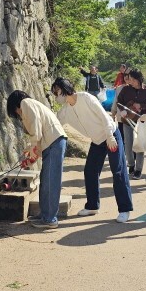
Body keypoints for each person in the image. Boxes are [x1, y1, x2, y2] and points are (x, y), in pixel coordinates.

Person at [51, 77, 133, 223]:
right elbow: (54, 127)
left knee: (118, 171)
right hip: (97, 141)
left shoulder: (86, 98)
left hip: (111, 134)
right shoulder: (65, 111)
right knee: (90, 171)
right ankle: (92, 206)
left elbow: (104, 116)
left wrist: (110, 136)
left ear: (64, 90)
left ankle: (124, 209)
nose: (56, 97)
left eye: (56, 92)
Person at [6, 90, 68, 230]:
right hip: (52, 143)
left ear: (15, 105)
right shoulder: (32, 104)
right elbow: (38, 139)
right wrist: (31, 156)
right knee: (46, 181)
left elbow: (36, 130)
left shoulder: (25, 103)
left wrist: (32, 149)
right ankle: (45, 215)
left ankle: (50, 219)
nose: (18, 114)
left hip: (54, 142)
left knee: (51, 182)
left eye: (15, 111)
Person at [111, 69, 146, 178]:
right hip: (127, 121)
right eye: (129, 79)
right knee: (128, 144)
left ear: (139, 79)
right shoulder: (126, 89)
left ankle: (138, 170)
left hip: (141, 121)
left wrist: (141, 106)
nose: (130, 81)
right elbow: (119, 101)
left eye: (132, 79)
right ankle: (131, 165)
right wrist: (122, 110)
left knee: (140, 145)